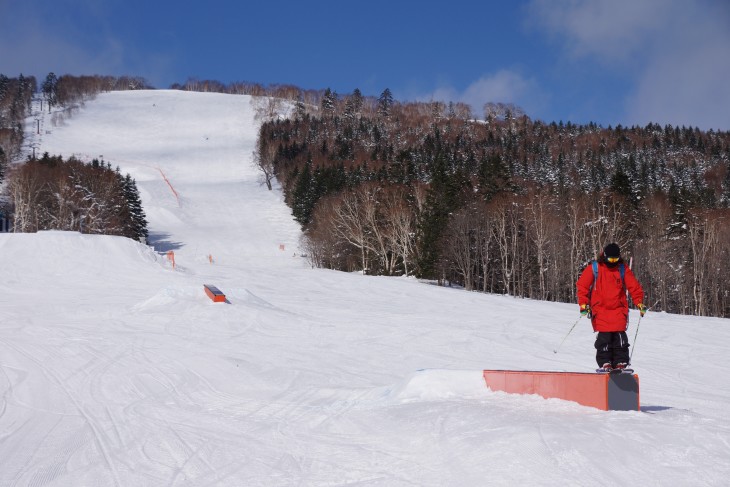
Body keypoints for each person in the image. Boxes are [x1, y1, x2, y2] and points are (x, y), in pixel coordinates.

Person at [576, 243, 647, 371]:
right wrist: (583, 304)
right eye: (610, 259)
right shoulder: (595, 268)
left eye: (616, 259)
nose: (613, 262)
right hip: (600, 310)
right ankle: (605, 363)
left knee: (620, 338)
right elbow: (582, 286)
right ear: (605, 256)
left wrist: (639, 302)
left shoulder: (622, 269)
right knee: (605, 339)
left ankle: (621, 362)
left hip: (618, 310)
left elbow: (634, 287)